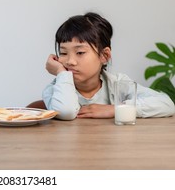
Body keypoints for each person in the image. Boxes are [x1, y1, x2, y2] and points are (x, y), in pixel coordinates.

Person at [42, 12, 175, 120]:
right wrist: (61, 73)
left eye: (80, 52)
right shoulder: (55, 90)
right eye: (63, 53)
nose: (70, 61)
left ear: (104, 56)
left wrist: (115, 109)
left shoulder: (118, 84)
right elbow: (66, 112)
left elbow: (166, 104)